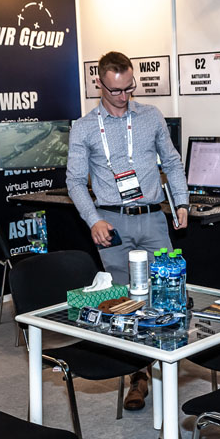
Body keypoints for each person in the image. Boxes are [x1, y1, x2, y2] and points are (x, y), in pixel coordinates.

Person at [66, 51, 189, 409]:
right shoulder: (84, 127)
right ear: (99, 84)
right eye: (115, 90)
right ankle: (138, 376)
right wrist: (93, 220)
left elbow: (172, 162)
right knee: (127, 303)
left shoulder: (151, 117)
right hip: (112, 222)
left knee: (166, 293)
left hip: (152, 218)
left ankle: (167, 365)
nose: (123, 96)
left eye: (128, 88)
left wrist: (181, 202)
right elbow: (74, 181)